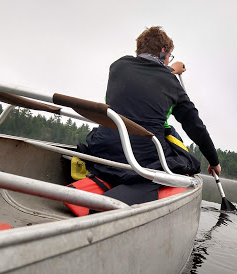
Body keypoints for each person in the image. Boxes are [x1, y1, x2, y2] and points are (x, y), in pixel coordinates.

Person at [83, 26, 221, 205]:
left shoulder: (118, 66)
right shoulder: (171, 83)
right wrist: (214, 160)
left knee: (166, 130)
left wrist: (170, 69)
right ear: (163, 51)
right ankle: (142, 190)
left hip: (102, 152)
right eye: (169, 55)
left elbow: (148, 76)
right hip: (142, 161)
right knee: (190, 162)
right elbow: (195, 127)